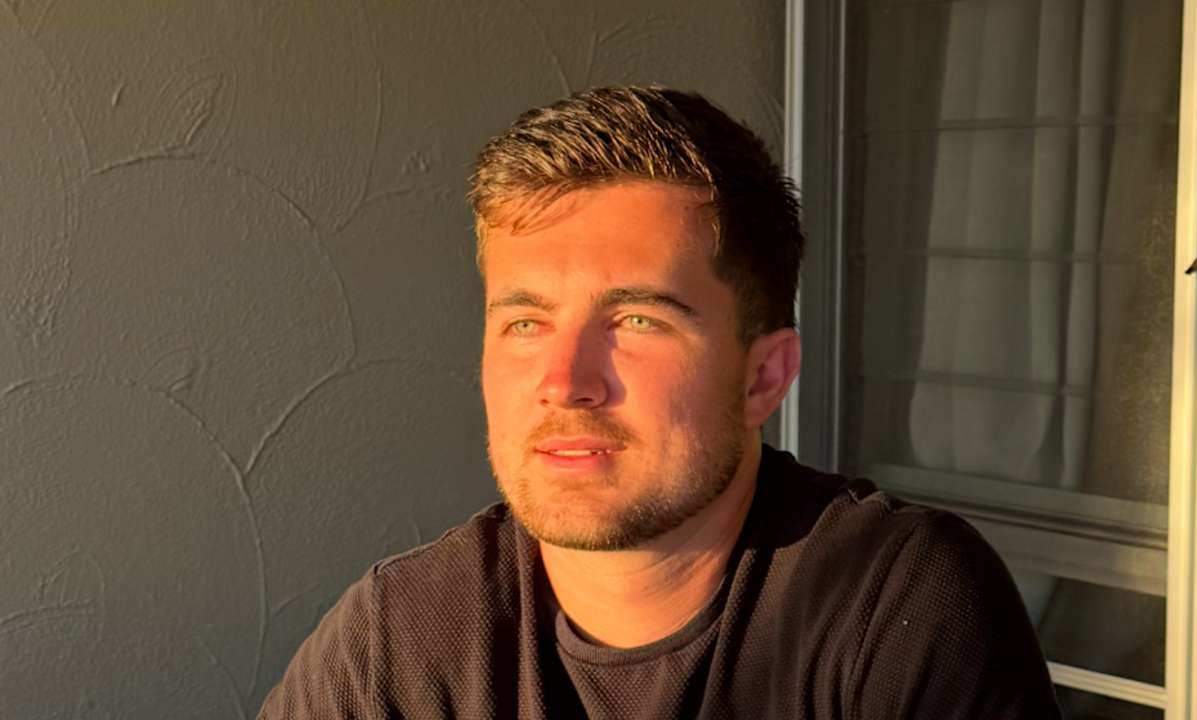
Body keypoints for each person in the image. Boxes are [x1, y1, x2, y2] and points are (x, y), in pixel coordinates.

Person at [258, 85, 1061, 719]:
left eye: (637, 320)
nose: (565, 380)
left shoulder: (893, 606)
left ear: (764, 377)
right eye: (526, 323)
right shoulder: (401, 639)